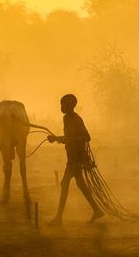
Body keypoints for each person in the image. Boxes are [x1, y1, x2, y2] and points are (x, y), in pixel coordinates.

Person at [46, 94, 104, 225]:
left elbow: (86, 137)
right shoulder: (66, 118)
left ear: (70, 106)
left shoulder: (76, 119)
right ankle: (97, 210)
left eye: (63, 105)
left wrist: (57, 139)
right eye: (61, 104)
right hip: (71, 157)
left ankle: (58, 218)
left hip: (75, 159)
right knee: (81, 184)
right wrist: (58, 139)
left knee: (64, 184)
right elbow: (69, 137)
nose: (61, 107)